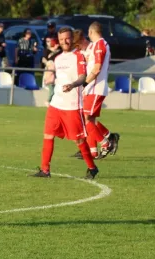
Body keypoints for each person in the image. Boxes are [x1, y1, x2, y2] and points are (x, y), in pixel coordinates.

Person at [30, 27, 99, 180]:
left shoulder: (79, 56)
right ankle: (45, 170)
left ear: (72, 39)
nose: (64, 42)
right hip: (56, 104)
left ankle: (92, 167)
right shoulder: (58, 58)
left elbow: (83, 77)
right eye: (61, 40)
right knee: (48, 135)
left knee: (78, 140)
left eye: (67, 38)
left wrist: (73, 85)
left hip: (72, 105)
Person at [82, 22, 119, 159]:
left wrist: (84, 84)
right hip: (93, 88)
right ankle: (94, 151)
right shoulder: (95, 45)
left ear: (91, 32)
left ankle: (106, 143)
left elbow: (97, 68)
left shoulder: (100, 45)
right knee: (89, 119)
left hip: (96, 87)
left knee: (86, 119)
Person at [42, 38, 60, 103]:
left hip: (57, 71)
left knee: (55, 87)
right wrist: (48, 63)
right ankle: (49, 100)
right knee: (51, 85)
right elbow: (43, 59)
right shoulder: (47, 51)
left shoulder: (59, 51)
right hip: (50, 71)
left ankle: (51, 101)